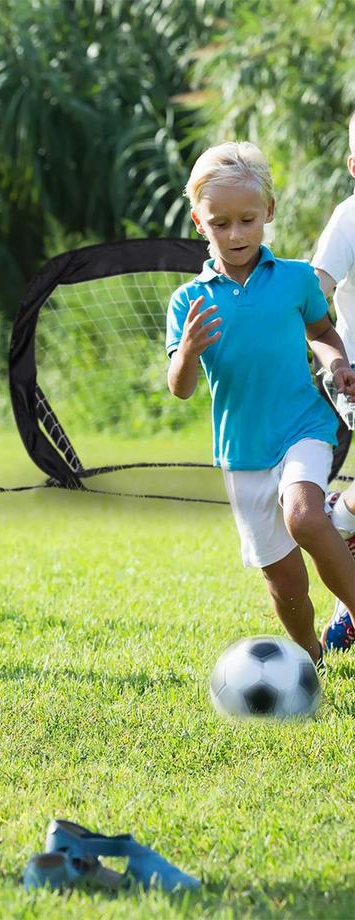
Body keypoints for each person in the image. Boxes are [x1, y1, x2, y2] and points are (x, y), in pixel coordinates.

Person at [166, 140, 355, 668]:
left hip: (304, 427)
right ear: (199, 222)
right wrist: (186, 354)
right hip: (242, 453)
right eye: (220, 223)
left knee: (303, 516)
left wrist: (336, 364)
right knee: (286, 582)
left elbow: (321, 329)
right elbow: (179, 388)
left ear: (268, 212)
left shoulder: (296, 279)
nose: (236, 234)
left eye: (247, 220)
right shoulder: (189, 301)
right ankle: (309, 658)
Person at [311, 110, 355, 652]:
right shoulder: (350, 218)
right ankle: (336, 514)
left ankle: (341, 516)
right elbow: (312, 290)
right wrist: (333, 361)